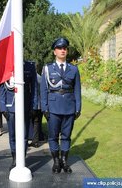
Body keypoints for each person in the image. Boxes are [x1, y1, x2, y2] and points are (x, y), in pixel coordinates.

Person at [40, 37, 81, 174]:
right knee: (53, 136)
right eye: (59, 48)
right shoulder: (47, 69)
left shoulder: (73, 69)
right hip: (53, 108)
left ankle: (64, 161)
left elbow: (77, 90)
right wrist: (44, 108)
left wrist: (78, 107)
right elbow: (44, 90)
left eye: (65, 48)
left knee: (66, 136)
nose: (63, 50)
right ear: (54, 52)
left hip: (69, 107)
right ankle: (56, 161)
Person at [0, 61, 38, 171]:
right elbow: (1, 88)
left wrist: (34, 105)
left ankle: (22, 157)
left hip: (25, 105)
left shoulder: (29, 66)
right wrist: (3, 108)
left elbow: (34, 87)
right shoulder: (5, 65)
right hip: (10, 106)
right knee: (13, 135)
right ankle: (15, 157)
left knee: (24, 135)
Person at [29, 72, 46, 147]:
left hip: (34, 104)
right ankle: (37, 140)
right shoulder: (40, 77)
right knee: (37, 122)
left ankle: (34, 139)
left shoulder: (32, 77)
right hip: (40, 104)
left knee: (33, 122)